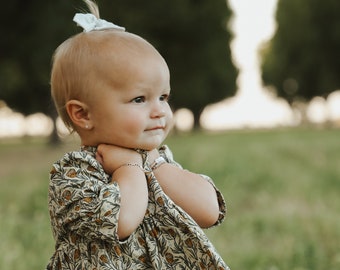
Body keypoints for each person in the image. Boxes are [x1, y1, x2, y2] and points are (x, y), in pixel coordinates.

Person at [46, 0, 229, 269]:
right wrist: (128, 166)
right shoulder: (72, 175)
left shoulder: (157, 161)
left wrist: (155, 164)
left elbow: (209, 211)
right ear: (83, 115)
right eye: (139, 99)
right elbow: (122, 220)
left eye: (163, 96)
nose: (159, 111)